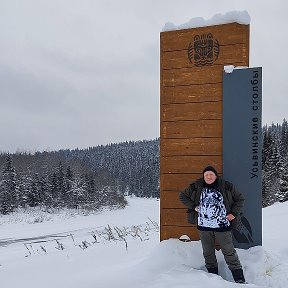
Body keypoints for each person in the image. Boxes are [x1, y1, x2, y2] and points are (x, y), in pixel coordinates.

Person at [179, 165, 246, 284]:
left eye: (211, 174)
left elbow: (240, 198)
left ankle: (239, 280)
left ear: (215, 176)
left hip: (222, 226)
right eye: (206, 175)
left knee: (229, 252)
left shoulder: (226, 185)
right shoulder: (197, 186)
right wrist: (193, 207)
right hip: (204, 226)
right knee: (208, 252)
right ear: (203, 177)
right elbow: (182, 196)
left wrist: (234, 213)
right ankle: (213, 280)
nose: (209, 176)